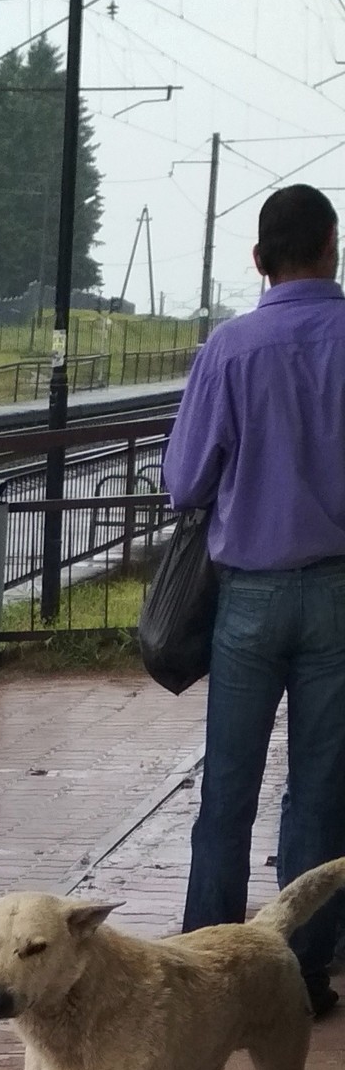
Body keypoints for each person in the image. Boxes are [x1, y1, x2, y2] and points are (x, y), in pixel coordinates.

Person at [164, 182, 345, 1018]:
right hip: (340, 595)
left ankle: (205, 973)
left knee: (227, 788)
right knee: (319, 791)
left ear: (259, 258)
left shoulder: (230, 349)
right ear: (332, 248)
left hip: (250, 599)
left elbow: (184, 481)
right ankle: (301, 975)